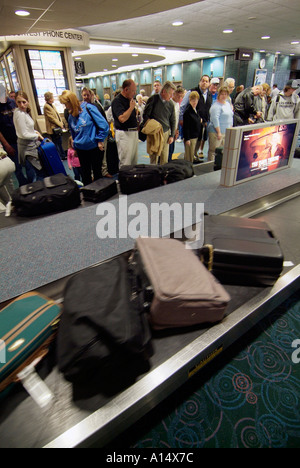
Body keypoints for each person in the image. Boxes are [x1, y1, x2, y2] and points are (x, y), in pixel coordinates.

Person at [59, 90, 109, 186]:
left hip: (94, 147)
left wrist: (100, 140)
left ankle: (100, 197)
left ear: (71, 101)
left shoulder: (89, 108)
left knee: (97, 174)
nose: (65, 106)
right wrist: (76, 147)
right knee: (86, 176)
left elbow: (104, 125)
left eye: (65, 104)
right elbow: (73, 133)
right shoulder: (71, 115)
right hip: (81, 149)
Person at [0, 84, 35, 186]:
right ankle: (24, 186)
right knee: (17, 167)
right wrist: (6, 145)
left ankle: (31, 186)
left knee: (29, 166)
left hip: (23, 140)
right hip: (10, 141)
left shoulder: (13, 103)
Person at [13, 91, 45, 180]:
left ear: (28, 101)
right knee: (38, 173)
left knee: (35, 172)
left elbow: (27, 129)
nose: (22, 105)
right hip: (28, 148)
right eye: (19, 102)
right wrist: (36, 136)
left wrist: (35, 132)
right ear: (15, 101)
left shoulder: (22, 112)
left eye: (24, 102)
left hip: (29, 146)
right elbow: (23, 134)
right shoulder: (20, 114)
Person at [142, 80, 176, 165]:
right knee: (154, 157)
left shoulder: (171, 104)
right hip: (154, 133)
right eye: (170, 94)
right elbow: (146, 116)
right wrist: (152, 127)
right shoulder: (153, 99)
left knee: (164, 158)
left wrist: (172, 135)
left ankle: (163, 176)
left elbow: (173, 120)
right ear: (164, 92)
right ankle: (153, 175)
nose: (171, 97)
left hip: (166, 133)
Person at [179, 75, 212, 160]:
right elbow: (182, 107)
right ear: (199, 82)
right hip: (190, 124)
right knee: (189, 148)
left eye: (206, 81)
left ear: (209, 83)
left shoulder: (209, 94)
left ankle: (194, 157)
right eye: (203, 81)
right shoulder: (192, 92)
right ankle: (189, 161)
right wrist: (181, 120)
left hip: (201, 124)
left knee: (197, 144)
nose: (204, 83)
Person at [111, 79, 139, 168]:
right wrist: (131, 108)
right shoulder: (117, 101)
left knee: (134, 161)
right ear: (126, 90)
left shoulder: (130, 100)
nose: (134, 93)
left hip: (133, 133)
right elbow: (122, 119)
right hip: (124, 134)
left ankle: (132, 181)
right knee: (126, 162)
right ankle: (124, 181)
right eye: (133, 91)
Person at [207, 86, 233, 162]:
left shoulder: (227, 104)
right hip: (216, 132)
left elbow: (231, 116)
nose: (224, 96)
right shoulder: (216, 106)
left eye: (225, 94)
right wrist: (218, 132)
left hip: (226, 131)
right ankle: (211, 166)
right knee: (214, 151)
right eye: (222, 94)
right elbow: (215, 119)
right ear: (219, 94)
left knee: (222, 151)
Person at [43, 91, 66, 160]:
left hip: (57, 127)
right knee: (56, 143)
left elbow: (57, 116)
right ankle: (59, 156)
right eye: (52, 97)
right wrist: (60, 124)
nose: (53, 99)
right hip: (53, 128)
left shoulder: (52, 105)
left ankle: (63, 155)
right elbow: (52, 118)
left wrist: (61, 123)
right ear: (49, 98)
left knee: (59, 142)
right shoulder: (46, 106)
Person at [183, 91, 202, 163]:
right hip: (190, 137)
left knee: (191, 155)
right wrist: (187, 139)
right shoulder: (187, 112)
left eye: (196, 100)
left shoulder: (195, 110)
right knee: (189, 157)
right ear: (190, 100)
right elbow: (186, 127)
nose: (195, 102)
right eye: (193, 100)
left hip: (195, 136)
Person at [169, 85, 185, 161]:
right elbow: (169, 120)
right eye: (178, 96)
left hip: (174, 130)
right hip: (169, 131)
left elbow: (177, 118)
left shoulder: (177, 104)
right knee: (168, 151)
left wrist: (177, 130)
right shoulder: (170, 103)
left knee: (172, 150)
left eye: (181, 97)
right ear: (174, 94)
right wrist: (173, 131)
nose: (180, 98)